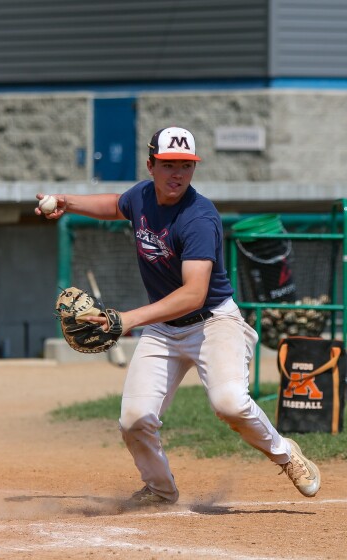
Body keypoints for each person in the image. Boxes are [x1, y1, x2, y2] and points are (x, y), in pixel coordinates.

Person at [35, 126, 321, 505]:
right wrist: (68, 203)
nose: (177, 174)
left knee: (229, 404)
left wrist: (129, 319)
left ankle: (286, 454)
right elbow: (116, 205)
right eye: (169, 164)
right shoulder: (142, 196)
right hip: (162, 330)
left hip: (214, 322)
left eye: (186, 166)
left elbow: (193, 293)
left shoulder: (199, 218)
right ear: (151, 165)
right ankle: (159, 490)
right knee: (134, 420)